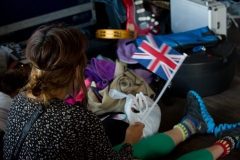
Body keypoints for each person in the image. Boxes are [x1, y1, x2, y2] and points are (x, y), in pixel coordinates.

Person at [3, 24, 240, 160]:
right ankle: (230, 140)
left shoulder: (20, 103)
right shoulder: (76, 119)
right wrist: (128, 141)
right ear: (77, 68)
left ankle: (191, 124)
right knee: (130, 149)